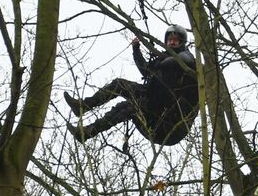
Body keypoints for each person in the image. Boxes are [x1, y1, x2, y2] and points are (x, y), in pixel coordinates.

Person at [65, 25, 198, 145]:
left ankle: (87, 132)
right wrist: (136, 50)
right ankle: (83, 107)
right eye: (169, 39)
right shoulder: (163, 60)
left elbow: (182, 60)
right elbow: (147, 72)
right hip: (156, 105)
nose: (172, 42)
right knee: (120, 84)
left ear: (182, 43)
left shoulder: (186, 58)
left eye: (175, 40)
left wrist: (160, 62)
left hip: (168, 123)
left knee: (130, 106)